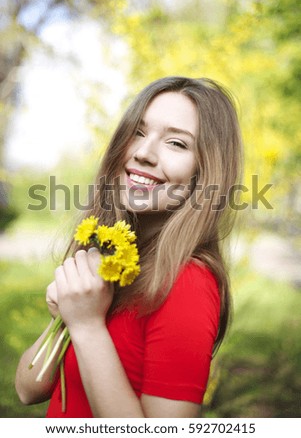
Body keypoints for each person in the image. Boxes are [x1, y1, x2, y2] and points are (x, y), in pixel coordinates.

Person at [15, 76, 243, 418]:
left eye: (177, 143)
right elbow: (27, 389)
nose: (143, 152)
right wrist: (68, 316)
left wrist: (88, 326)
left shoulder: (188, 283)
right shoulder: (114, 259)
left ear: (205, 173)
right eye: (138, 131)